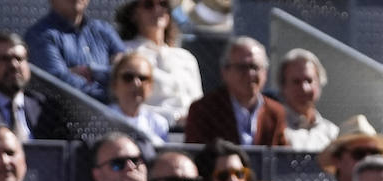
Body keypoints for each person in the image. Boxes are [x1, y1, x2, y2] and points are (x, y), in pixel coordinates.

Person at [184, 37, 286, 147]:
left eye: (255, 67)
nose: (250, 74)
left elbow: (282, 159)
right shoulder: (203, 110)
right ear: (225, 72)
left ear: (265, 72)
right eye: (242, 67)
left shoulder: (275, 112)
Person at [115, 0, 202, 128]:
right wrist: (174, 118)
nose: (158, 10)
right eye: (148, 5)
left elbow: (198, 101)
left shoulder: (187, 58)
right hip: (150, 133)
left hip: (192, 133)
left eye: (163, 4)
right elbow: (126, 104)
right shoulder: (125, 53)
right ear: (133, 14)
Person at [25, 0, 125, 103]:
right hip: (64, 116)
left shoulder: (103, 30)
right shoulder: (39, 35)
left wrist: (92, 71)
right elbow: (58, 84)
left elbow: (129, 68)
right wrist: (113, 91)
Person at [276, 49, 337, 153]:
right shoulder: (274, 128)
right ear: (283, 86)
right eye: (296, 82)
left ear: (319, 83)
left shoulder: (332, 133)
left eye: (309, 80)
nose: (304, 88)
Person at [107, 50, 170, 144]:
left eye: (143, 78)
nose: (136, 83)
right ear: (114, 84)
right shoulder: (102, 119)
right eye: (128, 77)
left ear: (150, 86)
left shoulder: (159, 124)